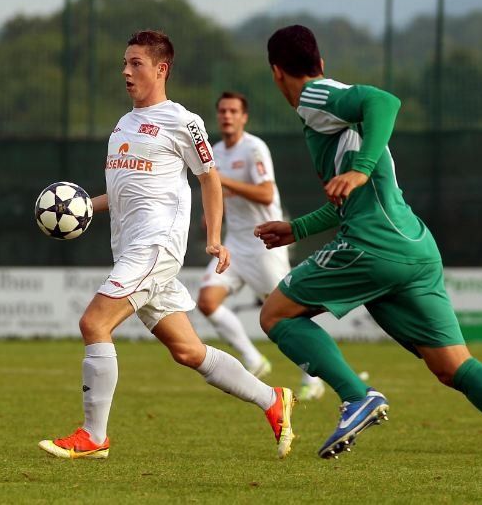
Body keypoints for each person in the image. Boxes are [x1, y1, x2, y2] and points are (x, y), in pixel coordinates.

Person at [254, 24, 482, 494]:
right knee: (453, 365)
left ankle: (356, 396)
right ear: (320, 59)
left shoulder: (315, 96)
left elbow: (385, 101)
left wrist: (359, 171)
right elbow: (351, 199)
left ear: (277, 72)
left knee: (276, 314)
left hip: (373, 245)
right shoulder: (334, 114)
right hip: (413, 247)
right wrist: (297, 229)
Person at [38, 30, 295, 461]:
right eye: (124, 63)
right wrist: (78, 207)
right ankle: (272, 399)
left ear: (161, 69)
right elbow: (122, 193)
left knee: (94, 323)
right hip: (132, 250)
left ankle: (94, 436)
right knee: (188, 351)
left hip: (155, 247)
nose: (126, 71)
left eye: (135, 63)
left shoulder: (182, 121)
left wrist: (213, 239)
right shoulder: (123, 125)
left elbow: (209, 179)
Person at [197, 91, 325, 400]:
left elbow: (266, 194)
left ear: (244, 117)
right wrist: (211, 214)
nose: (227, 116)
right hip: (234, 244)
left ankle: (314, 377)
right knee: (207, 301)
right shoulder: (215, 152)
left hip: (264, 244)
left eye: (233, 111)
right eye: (222, 111)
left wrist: (222, 180)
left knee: (288, 313)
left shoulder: (254, 148)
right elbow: (218, 192)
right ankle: (254, 360)